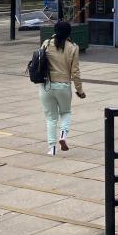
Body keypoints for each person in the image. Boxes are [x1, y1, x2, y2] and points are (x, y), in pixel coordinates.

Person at [40, 21, 85, 155]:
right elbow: (75, 72)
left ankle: (52, 148)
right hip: (64, 85)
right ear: (69, 32)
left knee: (51, 118)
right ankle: (63, 135)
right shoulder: (73, 47)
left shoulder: (46, 44)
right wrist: (80, 90)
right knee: (65, 112)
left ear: (54, 30)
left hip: (46, 86)